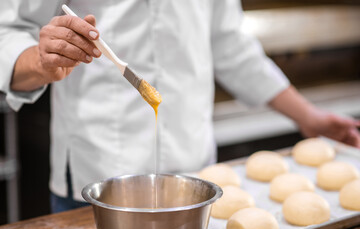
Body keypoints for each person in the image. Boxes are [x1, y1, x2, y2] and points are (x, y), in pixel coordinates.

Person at [1, 1, 359, 213]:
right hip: (98, 177)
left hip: (199, 176)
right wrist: (41, 59)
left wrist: (307, 116)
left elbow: (229, 43)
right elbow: (8, 31)